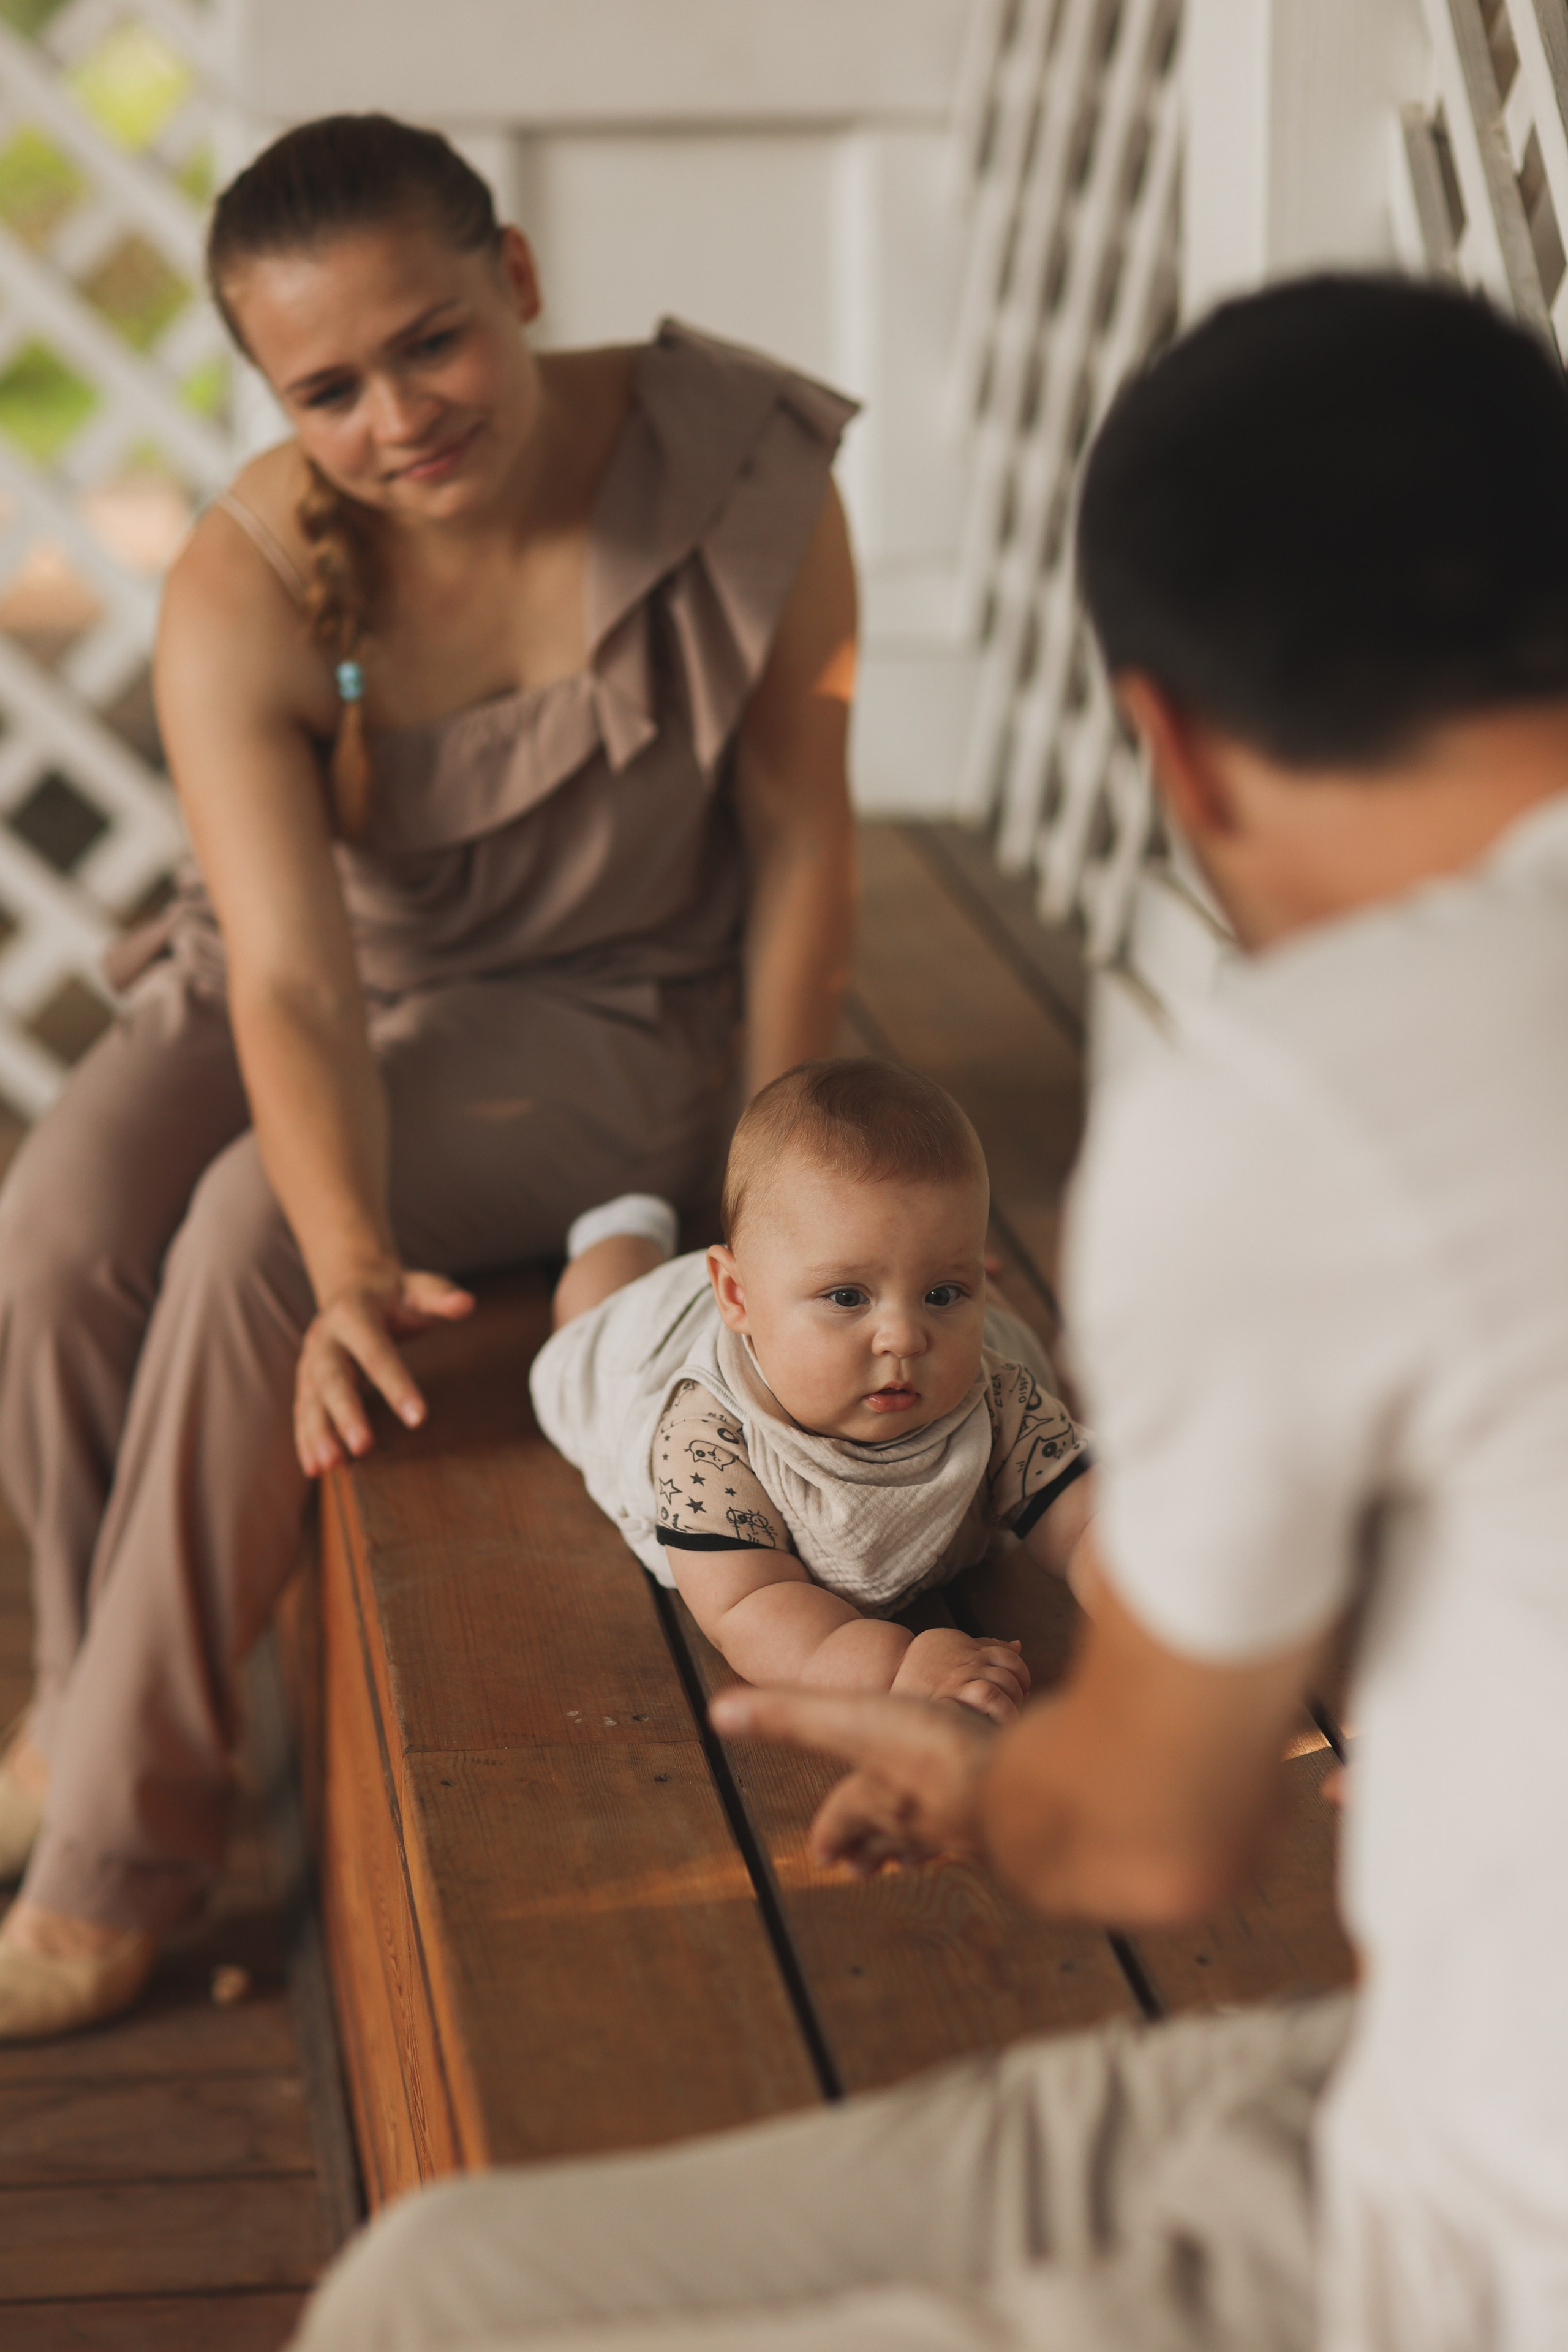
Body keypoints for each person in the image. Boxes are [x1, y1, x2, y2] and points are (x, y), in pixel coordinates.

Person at [288, 273, 1568, 2352]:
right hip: (1428, 2054)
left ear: (1167, 737)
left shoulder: (1313, 1093)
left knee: (425, 2313)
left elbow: (1158, 1831)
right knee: (435, 2283)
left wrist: (1008, 1779)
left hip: (1482, 2225)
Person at [0, 112, 859, 2038]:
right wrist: (360, 1235)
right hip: (318, 969)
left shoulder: (743, 474)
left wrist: (782, 1154)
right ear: (274, 398)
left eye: (431, 342)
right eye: (328, 387)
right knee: (54, 1224)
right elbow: (294, 979)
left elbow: (808, 835)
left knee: (248, 1242)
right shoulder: (245, 584)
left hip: (606, 991)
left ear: (519, 283)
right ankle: (81, 1692)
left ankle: (126, 1849)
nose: (398, 414)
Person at [530, 1060, 1095, 1720]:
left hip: (789, 1292)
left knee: (1013, 1346)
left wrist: (1160, 1609)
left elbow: (1087, 1517)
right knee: (593, 1313)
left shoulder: (996, 1396)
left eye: (941, 1292)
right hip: (652, 1340)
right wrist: (896, 1669)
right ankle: (617, 1233)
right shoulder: (708, 1440)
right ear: (737, 1296)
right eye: (847, 1297)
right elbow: (750, 1607)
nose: (903, 1339)